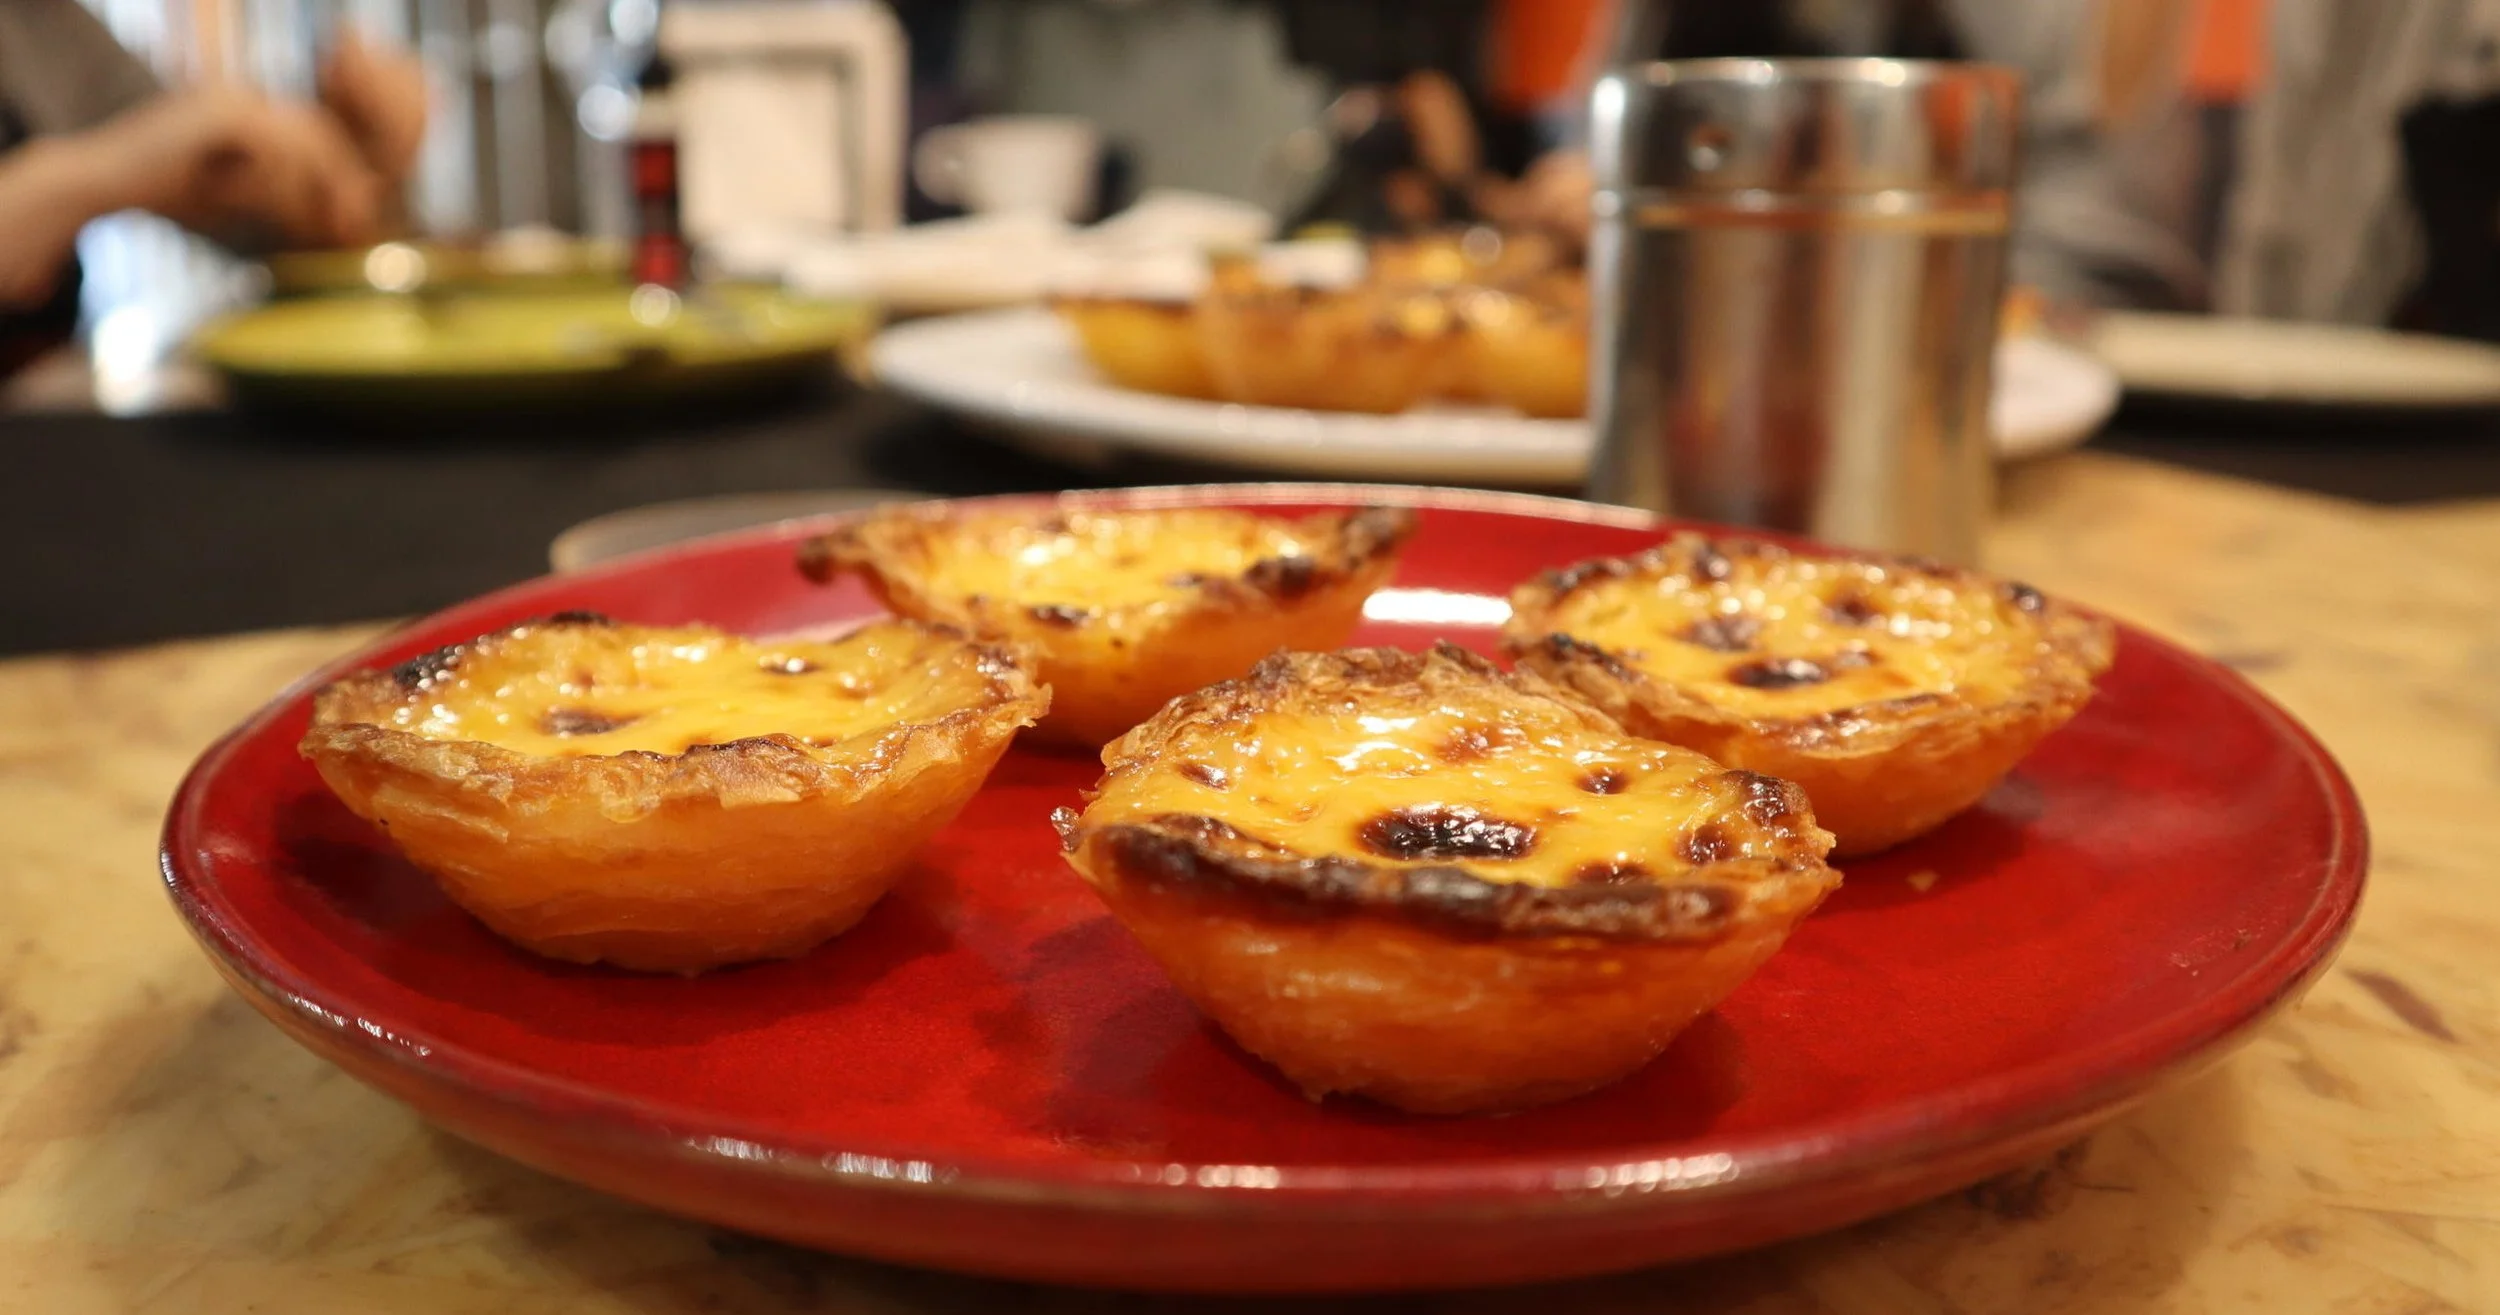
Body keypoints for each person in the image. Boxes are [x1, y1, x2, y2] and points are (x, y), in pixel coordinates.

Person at [0, 0, 426, 324]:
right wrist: (104, 169)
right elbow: (145, 148)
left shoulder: (44, 22)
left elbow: (220, 184)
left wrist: (350, 163)